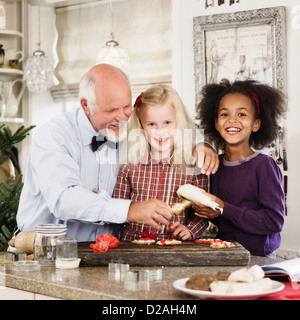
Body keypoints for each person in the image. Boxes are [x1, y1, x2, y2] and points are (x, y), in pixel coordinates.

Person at [17, 64, 218, 242]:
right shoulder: (55, 135)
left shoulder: (128, 132)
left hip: (108, 253)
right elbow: (63, 200)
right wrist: (130, 210)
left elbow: (168, 134)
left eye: (126, 107)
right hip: (47, 251)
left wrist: (202, 145)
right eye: (112, 109)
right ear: (86, 105)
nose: (122, 117)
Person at [194, 79, 286, 257]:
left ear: (256, 124)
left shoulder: (264, 165)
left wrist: (223, 208)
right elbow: (221, 216)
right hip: (224, 253)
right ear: (216, 123)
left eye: (242, 114)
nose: (232, 120)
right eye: (224, 114)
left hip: (259, 258)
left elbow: (274, 222)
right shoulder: (214, 166)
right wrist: (213, 213)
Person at [113, 84, 209, 241]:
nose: (160, 131)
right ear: (141, 126)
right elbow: (117, 209)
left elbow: (202, 212)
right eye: (151, 124)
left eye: (167, 123)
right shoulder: (129, 165)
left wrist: (189, 230)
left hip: (173, 245)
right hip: (132, 243)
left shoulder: (192, 165)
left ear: (179, 122)